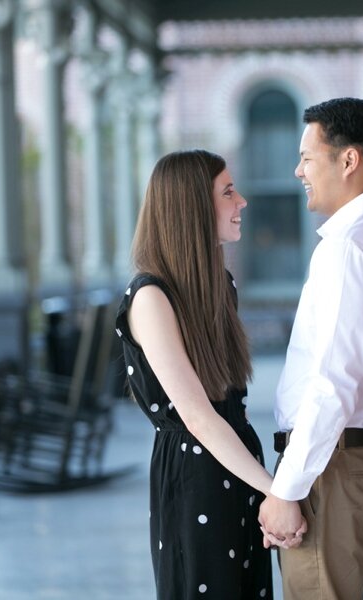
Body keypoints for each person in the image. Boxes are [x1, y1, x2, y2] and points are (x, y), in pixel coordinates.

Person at [115, 149, 305, 599]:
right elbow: (198, 418)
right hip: (194, 479)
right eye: (227, 192)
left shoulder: (221, 285)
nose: (242, 202)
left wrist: (266, 489)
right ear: (192, 207)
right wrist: (278, 492)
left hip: (238, 462)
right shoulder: (151, 298)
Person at [258, 98, 363, 599]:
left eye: (307, 156)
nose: (297, 169)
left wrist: (287, 489)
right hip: (345, 459)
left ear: (348, 161)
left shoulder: (351, 247)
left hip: (331, 467)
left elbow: (334, 380)